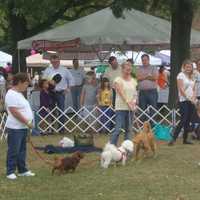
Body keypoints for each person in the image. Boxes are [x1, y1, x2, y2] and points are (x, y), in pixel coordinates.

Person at [5, 73, 35, 180]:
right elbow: (14, 112)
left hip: (23, 127)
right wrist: (27, 122)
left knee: (22, 150)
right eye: (26, 83)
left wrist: (27, 124)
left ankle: (23, 170)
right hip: (15, 128)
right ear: (20, 82)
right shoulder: (11, 94)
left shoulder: (19, 94)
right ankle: (10, 171)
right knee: (14, 150)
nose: (27, 86)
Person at [43, 54, 74, 132]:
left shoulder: (65, 70)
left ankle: (61, 128)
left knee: (61, 111)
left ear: (59, 61)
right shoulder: (48, 70)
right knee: (51, 111)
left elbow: (71, 80)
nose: (55, 63)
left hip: (61, 93)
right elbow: (43, 81)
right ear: (51, 62)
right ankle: (51, 128)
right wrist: (46, 88)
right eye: (53, 62)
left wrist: (68, 89)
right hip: (50, 93)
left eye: (56, 61)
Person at [168, 59, 196, 145]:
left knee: (188, 120)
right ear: (184, 67)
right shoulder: (180, 75)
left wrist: (193, 98)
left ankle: (185, 139)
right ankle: (173, 139)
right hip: (183, 100)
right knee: (183, 120)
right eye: (187, 67)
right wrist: (188, 98)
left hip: (191, 101)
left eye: (190, 67)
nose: (188, 68)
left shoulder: (192, 76)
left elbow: (194, 89)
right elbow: (180, 89)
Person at [110, 62, 137, 145]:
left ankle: (126, 149)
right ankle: (111, 147)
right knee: (117, 129)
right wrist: (127, 102)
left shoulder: (133, 80)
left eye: (130, 69)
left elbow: (135, 93)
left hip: (130, 108)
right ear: (122, 69)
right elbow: (120, 92)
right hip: (120, 108)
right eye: (127, 69)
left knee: (129, 130)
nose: (128, 70)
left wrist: (134, 102)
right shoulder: (118, 80)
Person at [136, 54, 158, 121]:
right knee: (142, 109)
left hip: (152, 91)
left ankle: (152, 125)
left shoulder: (154, 67)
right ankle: (144, 125)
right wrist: (147, 76)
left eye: (145, 60)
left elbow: (155, 78)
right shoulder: (139, 68)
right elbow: (138, 78)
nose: (144, 61)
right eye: (143, 60)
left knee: (153, 109)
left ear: (148, 60)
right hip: (142, 92)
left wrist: (143, 76)